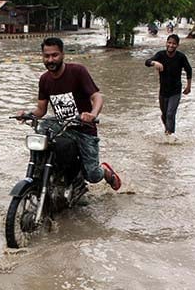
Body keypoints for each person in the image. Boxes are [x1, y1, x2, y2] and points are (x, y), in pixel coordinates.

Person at [17, 37, 121, 191]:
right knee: (41, 131)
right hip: (61, 126)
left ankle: (105, 171)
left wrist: (92, 114)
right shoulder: (44, 79)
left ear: (63, 54)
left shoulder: (77, 71)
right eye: (47, 56)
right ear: (42, 57)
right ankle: (43, 175)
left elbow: (96, 97)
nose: (51, 60)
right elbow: (41, 110)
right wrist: (26, 114)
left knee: (92, 175)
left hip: (83, 129)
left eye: (55, 55)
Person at [145, 34, 193, 135]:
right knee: (164, 115)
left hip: (175, 91)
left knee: (170, 114)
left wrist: (188, 86)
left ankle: (169, 136)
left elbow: (189, 70)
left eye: (174, 44)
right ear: (166, 43)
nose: (171, 45)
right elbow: (147, 62)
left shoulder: (181, 57)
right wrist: (155, 63)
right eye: (169, 43)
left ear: (177, 45)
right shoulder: (160, 55)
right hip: (163, 91)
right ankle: (168, 130)